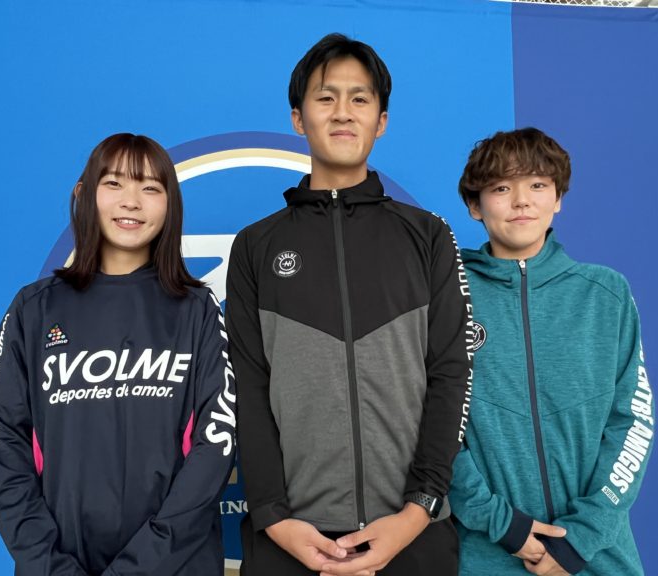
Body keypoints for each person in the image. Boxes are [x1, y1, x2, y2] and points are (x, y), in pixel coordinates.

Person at [226, 33, 471, 576]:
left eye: (359, 98)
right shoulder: (255, 246)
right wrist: (273, 517)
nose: (342, 112)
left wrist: (418, 511)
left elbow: (452, 374)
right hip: (289, 540)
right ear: (298, 119)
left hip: (414, 534)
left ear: (381, 121)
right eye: (325, 97)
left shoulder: (428, 236)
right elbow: (247, 387)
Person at [0, 133, 236, 575]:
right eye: (114, 183)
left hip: (175, 566)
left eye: (150, 187)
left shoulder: (198, 311)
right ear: (84, 194)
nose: (131, 201)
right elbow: (0, 433)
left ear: (170, 205)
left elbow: (217, 445)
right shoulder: (35, 308)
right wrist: (47, 564)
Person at [448, 127, 654, 576]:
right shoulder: (447, 293)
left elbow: (633, 422)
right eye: (501, 188)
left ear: (558, 198)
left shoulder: (606, 294)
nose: (522, 201)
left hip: (597, 555)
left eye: (538, 185)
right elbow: (431, 424)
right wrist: (501, 524)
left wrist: (582, 536)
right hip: (485, 555)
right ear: (475, 205)